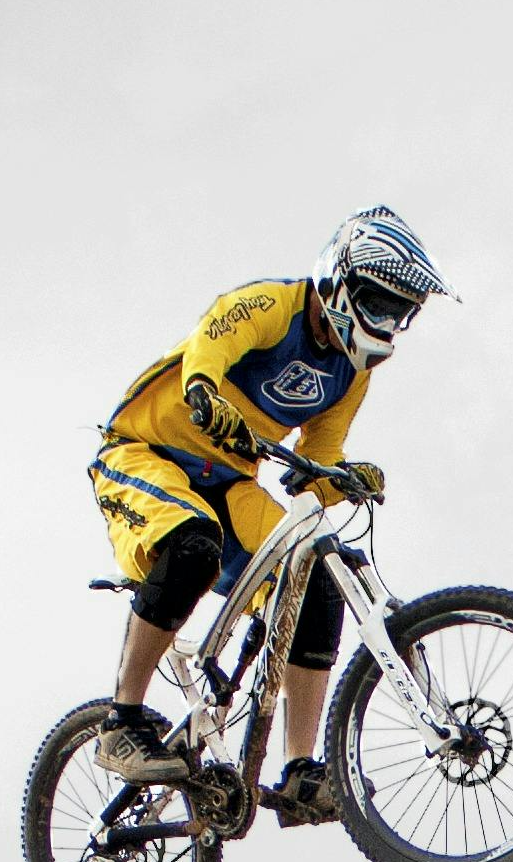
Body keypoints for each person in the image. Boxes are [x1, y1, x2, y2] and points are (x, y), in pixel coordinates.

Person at [89, 205, 457, 821]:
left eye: (399, 312)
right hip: (146, 453)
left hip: (229, 482)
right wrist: (204, 394)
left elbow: (313, 465)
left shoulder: (351, 373)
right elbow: (211, 342)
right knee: (193, 546)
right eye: (379, 304)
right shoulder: (271, 306)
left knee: (317, 576)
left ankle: (299, 770)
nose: (387, 323)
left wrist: (346, 478)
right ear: (340, 281)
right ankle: (120, 721)